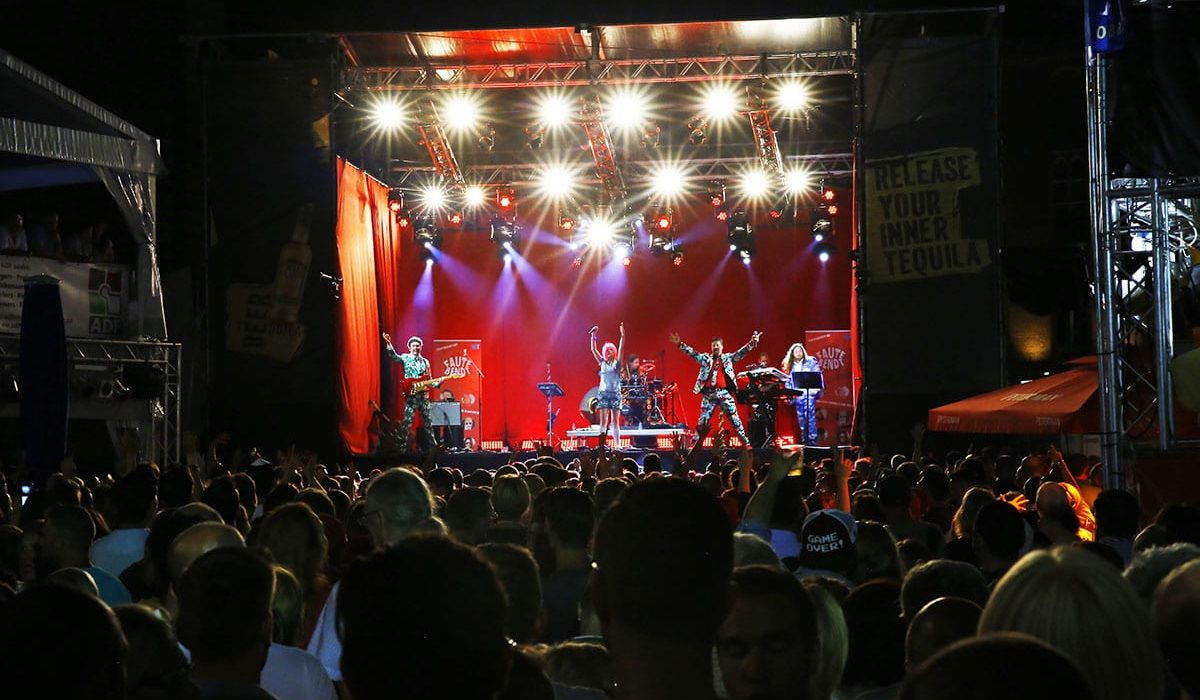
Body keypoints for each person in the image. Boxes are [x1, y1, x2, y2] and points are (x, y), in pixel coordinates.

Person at [670, 330, 761, 445]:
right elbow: (693, 353)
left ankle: (745, 444)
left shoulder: (728, 358)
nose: (715, 347)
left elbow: (740, 353)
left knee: (735, 420)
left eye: (717, 345)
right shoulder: (706, 359)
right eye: (713, 345)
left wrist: (752, 343)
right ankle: (694, 446)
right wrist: (680, 344)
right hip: (709, 394)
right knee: (702, 421)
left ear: (722, 347)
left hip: (724, 393)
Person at [382, 332, 438, 452]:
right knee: (407, 423)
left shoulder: (425, 362)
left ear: (421, 347)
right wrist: (388, 343)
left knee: (428, 423)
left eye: (417, 346)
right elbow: (393, 356)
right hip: (411, 397)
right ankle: (402, 449)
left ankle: (433, 448)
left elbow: (429, 379)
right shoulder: (405, 358)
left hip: (423, 396)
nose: (415, 348)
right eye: (413, 346)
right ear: (409, 347)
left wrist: (437, 383)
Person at [589, 323, 625, 443]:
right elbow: (593, 350)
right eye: (607, 350)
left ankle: (617, 444)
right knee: (603, 421)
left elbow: (621, 348)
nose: (609, 351)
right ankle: (601, 444)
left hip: (615, 394)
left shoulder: (617, 363)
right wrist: (593, 336)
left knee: (615, 421)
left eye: (611, 349)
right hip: (604, 394)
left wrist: (622, 335)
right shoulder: (602, 363)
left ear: (614, 352)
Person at [782, 343, 823, 445]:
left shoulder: (811, 361)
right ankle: (804, 441)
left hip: (809, 394)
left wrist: (816, 389)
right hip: (798, 396)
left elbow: (818, 375)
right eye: (796, 351)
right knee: (801, 419)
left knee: (810, 417)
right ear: (792, 353)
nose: (798, 353)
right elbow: (788, 381)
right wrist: (789, 395)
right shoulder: (790, 366)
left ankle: (812, 441)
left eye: (800, 351)